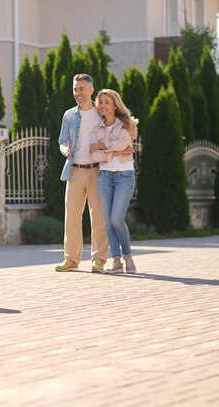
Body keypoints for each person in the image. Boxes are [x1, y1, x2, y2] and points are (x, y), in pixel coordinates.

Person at [55, 74, 109, 273]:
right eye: (76, 89)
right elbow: (61, 140)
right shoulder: (69, 115)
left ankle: (99, 260)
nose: (78, 93)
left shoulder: (102, 114)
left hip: (98, 171)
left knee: (99, 217)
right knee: (72, 217)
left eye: (82, 88)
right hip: (75, 171)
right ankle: (71, 259)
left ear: (91, 90)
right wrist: (64, 150)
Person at [89, 89, 138, 274]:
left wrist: (103, 147)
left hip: (124, 176)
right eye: (100, 102)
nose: (102, 105)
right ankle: (116, 261)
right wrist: (116, 151)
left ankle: (128, 256)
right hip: (104, 177)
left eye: (106, 102)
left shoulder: (127, 125)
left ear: (115, 104)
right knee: (108, 221)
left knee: (117, 219)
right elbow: (94, 154)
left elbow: (122, 143)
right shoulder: (97, 129)